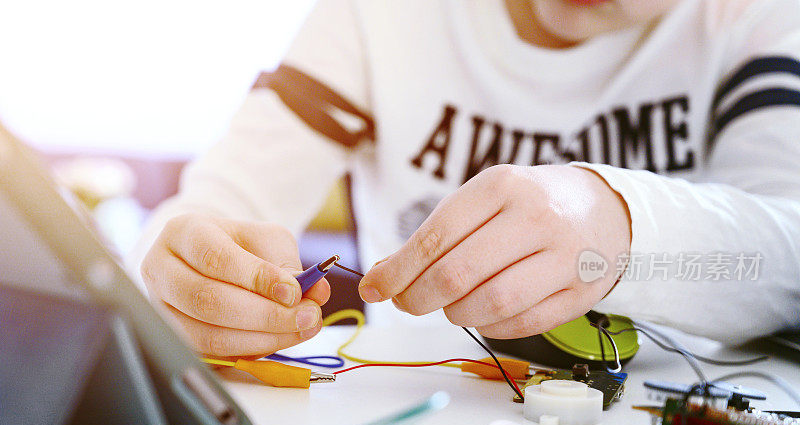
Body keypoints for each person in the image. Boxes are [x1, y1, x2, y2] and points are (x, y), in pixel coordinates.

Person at [131, 0, 800, 359]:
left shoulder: (759, 19)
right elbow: (212, 212)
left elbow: (788, 259)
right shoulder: (379, 15)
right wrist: (179, 273)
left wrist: (620, 228)